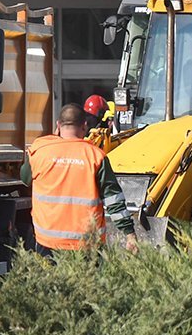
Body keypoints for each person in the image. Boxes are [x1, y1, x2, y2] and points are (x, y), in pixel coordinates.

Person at [23, 104, 138, 255]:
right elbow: (113, 199)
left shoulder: (39, 151)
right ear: (84, 126)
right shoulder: (95, 157)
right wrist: (129, 234)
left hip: (48, 242)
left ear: (58, 125)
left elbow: (25, 179)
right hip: (86, 245)